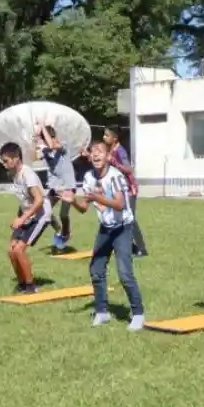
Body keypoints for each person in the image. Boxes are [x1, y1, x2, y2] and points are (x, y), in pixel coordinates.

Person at [63, 141, 146, 331]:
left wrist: (96, 198)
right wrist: (73, 201)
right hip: (105, 229)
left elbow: (119, 205)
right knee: (96, 269)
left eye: (100, 151)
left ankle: (138, 313)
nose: (96, 155)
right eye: (93, 152)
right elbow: (84, 208)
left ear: (109, 157)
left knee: (125, 273)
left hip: (122, 228)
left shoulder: (116, 177)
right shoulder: (88, 177)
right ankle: (102, 312)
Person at [0, 142, 52, 294]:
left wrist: (21, 219)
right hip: (28, 216)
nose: (4, 164)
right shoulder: (15, 176)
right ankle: (22, 283)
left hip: (41, 216)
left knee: (19, 250)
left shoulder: (27, 174)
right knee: (11, 250)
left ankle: (31, 285)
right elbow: (25, 201)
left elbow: (38, 200)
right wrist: (19, 217)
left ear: (16, 158)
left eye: (6, 161)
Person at [103, 127, 148, 257]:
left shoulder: (120, 151)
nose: (104, 138)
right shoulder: (110, 150)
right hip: (119, 189)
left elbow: (128, 169)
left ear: (114, 138)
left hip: (129, 190)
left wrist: (114, 162)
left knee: (130, 219)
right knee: (118, 219)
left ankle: (141, 249)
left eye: (107, 136)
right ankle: (127, 246)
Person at [33, 124, 78, 252]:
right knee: (44, 210)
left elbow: (53, 145)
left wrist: (41, 128)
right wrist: (35, 139)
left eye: (44, 138)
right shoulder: (46, 150)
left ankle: (65, 233)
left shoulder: (62, 146)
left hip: (67, 186)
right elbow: (33, 157)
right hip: (54, 187)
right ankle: (59, 229)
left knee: (63, 214)